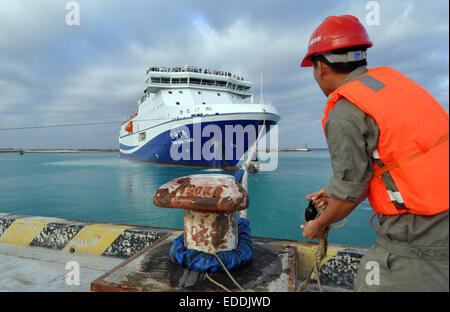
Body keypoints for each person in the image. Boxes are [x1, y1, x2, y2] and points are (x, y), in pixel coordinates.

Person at [299, 15, 449, 291]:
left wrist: (318, 225)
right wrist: (335, 193)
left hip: (421, 234)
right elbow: (401, 158)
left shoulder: (345, 112)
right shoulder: (395, 86)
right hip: (441, 215)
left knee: (371, 282)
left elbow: (349, 194)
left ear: (320, 67)